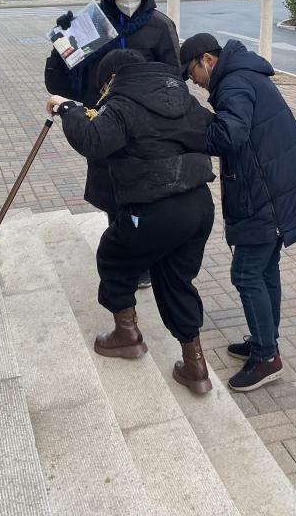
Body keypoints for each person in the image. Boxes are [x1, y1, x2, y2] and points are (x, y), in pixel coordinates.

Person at [180, 33, 296, 392]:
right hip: (271, 185)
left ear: (207, 60)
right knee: (266, 269)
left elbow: (229, 136)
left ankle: (267, 357)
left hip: (265, 192)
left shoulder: (233, 84)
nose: (194, 81)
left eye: (192, 72)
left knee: (246, 273)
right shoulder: (243, 75)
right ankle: (264, 341)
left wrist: (189, 130)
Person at [46, 49, 217, 395]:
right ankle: (195, 365)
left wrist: (67, 109)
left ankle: (127, 335)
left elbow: (93, 140)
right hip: (199, 206)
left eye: (104, 89)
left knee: (113, 257)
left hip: (155, 207)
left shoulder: (123, 103)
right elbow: (211, 130)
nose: (104, 95)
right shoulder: (183, 99)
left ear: (112, 79)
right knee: (176, 280)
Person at [45, 0, 180, 287]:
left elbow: (174, 78)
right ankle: (122, 255)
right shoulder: (93, 24)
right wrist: (61, 45)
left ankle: (144, 261)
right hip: (104, 123)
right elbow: (60, 80)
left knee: (143, 194)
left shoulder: (160, 26)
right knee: (112, 193)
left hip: (145, 129)